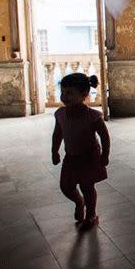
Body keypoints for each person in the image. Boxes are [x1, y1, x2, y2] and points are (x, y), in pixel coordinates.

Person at [51, 73, 110, 229]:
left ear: (84, 94)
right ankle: (79, 201)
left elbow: (104, 136)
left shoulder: (92, 116)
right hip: (71, 157)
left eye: (70, 93)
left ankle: (91, 214)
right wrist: (54, 151)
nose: (65, 96)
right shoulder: (61, 114)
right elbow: (58, 134)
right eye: (63, 92)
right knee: (66, 186)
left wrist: (105, 155)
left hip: (89, 157)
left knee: (87, 187)